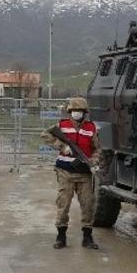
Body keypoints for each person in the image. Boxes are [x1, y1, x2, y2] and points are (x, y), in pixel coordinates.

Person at [41, 96, 103, 250]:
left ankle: (87, 237)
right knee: (63, 204)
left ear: (84, 112)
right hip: (65, 171)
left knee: (88, 205)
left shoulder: (91, 128)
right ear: (70, 111)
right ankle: (61, 236)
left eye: (80, 110)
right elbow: (45, 135)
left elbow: (97, 149)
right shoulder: (62, 125)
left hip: (84, 173)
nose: (77, 113)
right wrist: (62, 146)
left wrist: (94, 162)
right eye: (74, 110)